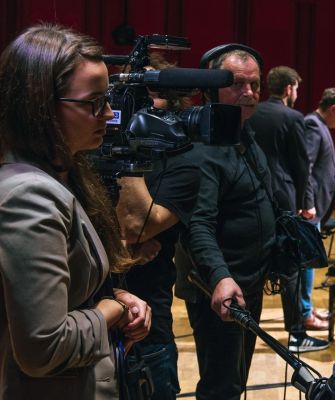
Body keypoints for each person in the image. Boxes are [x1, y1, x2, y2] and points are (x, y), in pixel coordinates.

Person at [0, 24, 151, 399]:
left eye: (107, 99)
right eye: (94, 103)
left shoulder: (63, 174)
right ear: (40, 107)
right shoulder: (29, 195)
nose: (109, 114)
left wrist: (115, 297)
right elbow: (43, 348)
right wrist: (111, 311)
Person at [173, 44, 276, 399]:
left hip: (249, 284)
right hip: (219, 289)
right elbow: (198, 225)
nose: (248, 93)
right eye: (236, 84)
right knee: (222, 388)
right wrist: (220, 277)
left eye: (254, 84)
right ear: (210, 89)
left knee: (235, 382)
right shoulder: (204, 149)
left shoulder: (244, 135)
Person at [115, 52, 201, 399]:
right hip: (87, 315)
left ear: (174, 103)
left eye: (149, 92)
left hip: (149, 326)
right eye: (131, 94)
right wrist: (121, 248)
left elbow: (136, 226)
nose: (139, 103)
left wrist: (127, 151)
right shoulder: (89, 151)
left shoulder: (184, 161)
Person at [246, 66, 329, 352]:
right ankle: (296, 335)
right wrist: (307, 203)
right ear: (289, 87)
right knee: (291, 268)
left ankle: (245, 328)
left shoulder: (250, 113)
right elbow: (301, 166)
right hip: (283, 201)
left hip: (250, 198)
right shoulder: (292, 118)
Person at [301, 87, 335, 331]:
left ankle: (306, 308)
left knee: (309, 261)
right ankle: (304, 313)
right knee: (307, 262)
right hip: (310, 209)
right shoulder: (313, 125)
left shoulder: (319, 125)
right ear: (333, 108)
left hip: (316, 207)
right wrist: (307, 203)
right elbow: (306, 168)